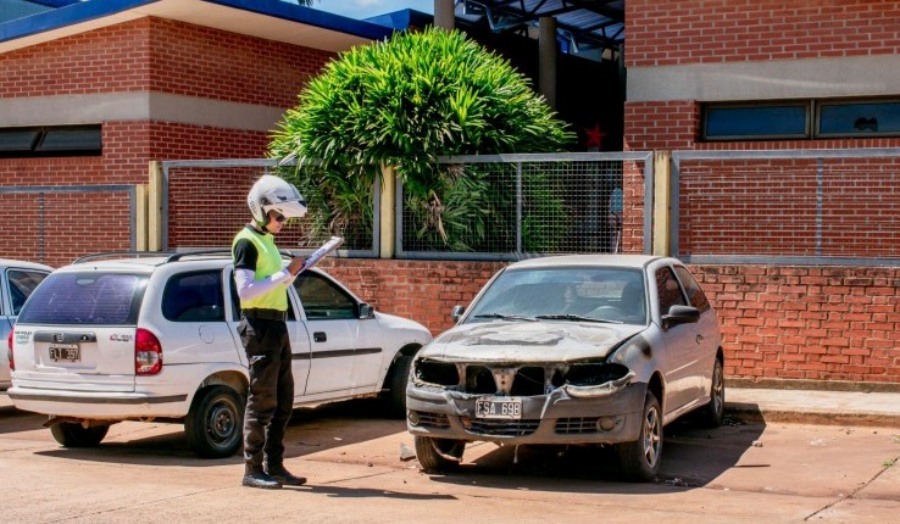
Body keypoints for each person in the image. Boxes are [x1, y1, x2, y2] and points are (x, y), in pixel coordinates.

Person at [232, 174, 308, 490]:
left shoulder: (269, 242)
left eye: (284, 218)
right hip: (259, 324)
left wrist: (293, 274)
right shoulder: (247, 242)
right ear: (261, 210)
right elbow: (246, 291)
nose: (281, 222)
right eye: (278, 216)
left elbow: (274, 283)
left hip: (277, 323)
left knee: (283, 400)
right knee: (262, 400)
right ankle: (252, 469)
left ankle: (274, 466)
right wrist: (284, 274)